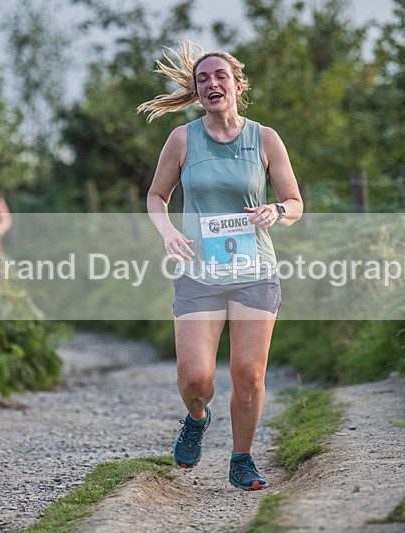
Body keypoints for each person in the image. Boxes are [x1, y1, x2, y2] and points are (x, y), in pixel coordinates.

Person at [139, 41, 303, 490]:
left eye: (220, 76)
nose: (212, 83)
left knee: (248, 375)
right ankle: (196, 418)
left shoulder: (265, 138)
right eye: (203, 79)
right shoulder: (182, 139)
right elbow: (157, 196)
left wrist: (277, 211)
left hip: (255, 272)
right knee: (197, 378)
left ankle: (242, 459)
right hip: (199, 274)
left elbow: (295, 202)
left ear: (237, 85)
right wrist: (168, 231)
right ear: (196, 92)